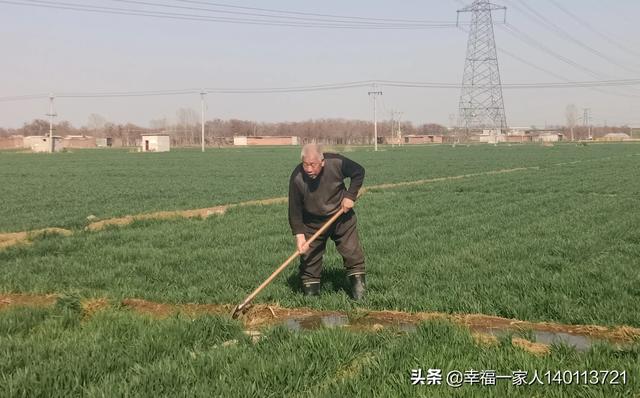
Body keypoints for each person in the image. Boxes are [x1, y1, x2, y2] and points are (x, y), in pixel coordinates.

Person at [288, 143, 366, 300]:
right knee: (309, 261)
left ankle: (360, 295)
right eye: (305, 164)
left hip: (341, 216)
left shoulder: (336, 163)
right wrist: (300, 236)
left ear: (322, 161)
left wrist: (350, 196)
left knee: (352, 252)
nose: (309, 169)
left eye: (313, 165)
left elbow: (359, 172)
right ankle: (311, 299)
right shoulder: (297, 177)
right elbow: (294, 209)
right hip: (312, 223)